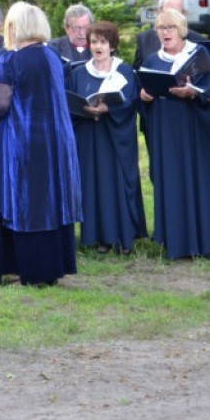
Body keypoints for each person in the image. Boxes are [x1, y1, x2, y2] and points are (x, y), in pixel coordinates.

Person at [0, 1, 81, 286]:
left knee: (28, 204)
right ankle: (52, 269)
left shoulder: (12, 60)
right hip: (56, 141)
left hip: (24, 143)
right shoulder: (52, 57)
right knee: (51, 201)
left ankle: (28, 269)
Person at [139, 9, 210, 259]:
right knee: (172, 180)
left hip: (195, 130)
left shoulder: (198, 55)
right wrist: (144, 97)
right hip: (166, 132)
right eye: (160, 28)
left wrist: (195, 93)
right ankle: (175, 239)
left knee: (199, 179)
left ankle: (204, 237)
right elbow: (145, 94)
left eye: (170, 27)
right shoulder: (152, 61)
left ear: (181, 30)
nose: (165, 32)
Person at [66, 21, 145, 254]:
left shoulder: (125, 71)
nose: (97, 46)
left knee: (118, 183)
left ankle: (124, 236)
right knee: (94, 184)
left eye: (103, 42)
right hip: (90, 137)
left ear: (112, 46)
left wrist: (109, 110)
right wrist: (85, 110)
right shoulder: (79, 73)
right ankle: (100, 236)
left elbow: (130, 101)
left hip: (116, 138)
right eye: (93, 42)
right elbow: (70, 102)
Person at [133, 0, 206, 70]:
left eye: (176, 14)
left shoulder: (198, 42)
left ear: (184, 14)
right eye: (168, 13)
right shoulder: (145, 40)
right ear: (159, 12)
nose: (171, 18)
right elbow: (137, 74)